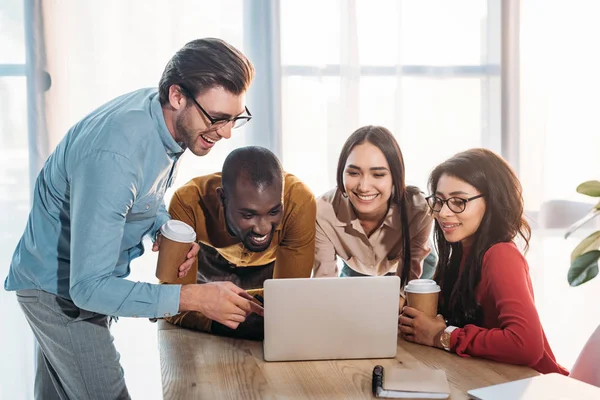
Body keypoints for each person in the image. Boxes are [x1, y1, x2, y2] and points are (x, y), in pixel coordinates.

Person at [4, 38, 263, 399]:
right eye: (217, 119)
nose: (226, 133)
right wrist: (193, 299)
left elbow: (140, 190)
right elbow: (88, 288)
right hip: (60, 292)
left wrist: (160, 223)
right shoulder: (116, 155)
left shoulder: (165, 120)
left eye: (236, 118)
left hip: (70, 283)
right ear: (177, 96)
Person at [399, 148, 568, 375]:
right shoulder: (458, 253)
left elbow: (527, 345)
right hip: (487, 380)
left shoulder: (501, 254)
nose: (444, 213)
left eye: (459, 201)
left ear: (492, 201)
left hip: (534, 386)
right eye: (439, 201)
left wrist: (442, 336)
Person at [164, 146, 316, 340]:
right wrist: (223, 322)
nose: (263, 228)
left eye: (273, 212)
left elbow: (292, 297)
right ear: (222, 198)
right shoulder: (187, 202)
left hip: (270, 269)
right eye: (248, 214)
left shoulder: (299, 201)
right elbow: (171, 300)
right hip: (211, 267)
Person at [313, 125, 435, 309]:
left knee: (409, 315)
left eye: (378, 174)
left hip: (414, 264)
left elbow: (406, 286)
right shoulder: (323, 210)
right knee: (347, 309)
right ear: (341, 172)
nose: (364, 186)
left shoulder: (418, 208)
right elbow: (324, 285)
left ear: (396, 176)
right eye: (353, 173)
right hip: (357, 266)